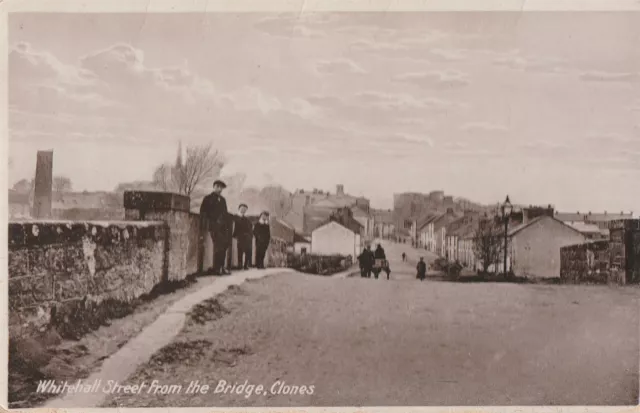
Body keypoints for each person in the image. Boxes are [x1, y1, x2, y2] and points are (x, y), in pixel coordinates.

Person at [200, 180, 229, 275]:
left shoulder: (223, 200)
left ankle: (221, 266)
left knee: (224, 245)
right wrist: (207, 224)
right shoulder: (208, 198)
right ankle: (217, 268)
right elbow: (203, 212)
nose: (220, 189)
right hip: (214, 226)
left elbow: (225, 213)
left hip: (223, 227)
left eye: (221, 188)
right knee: (218, 246)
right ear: (214, 187)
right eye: (218, 187)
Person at [233, 204, 253, 270]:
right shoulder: (235, 217)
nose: (243, 210)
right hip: (239, 236)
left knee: (248, 251)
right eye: (242, 208)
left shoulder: (247, 219)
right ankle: (239, 265)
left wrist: (250, 236)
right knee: (240, 251)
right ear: (239, 208)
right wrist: (234, 235)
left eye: (245, 209)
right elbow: (234, 227)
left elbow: (250, 228)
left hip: (246, 237)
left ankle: (245, 265)